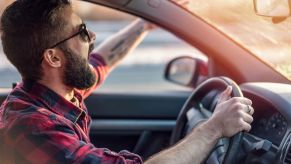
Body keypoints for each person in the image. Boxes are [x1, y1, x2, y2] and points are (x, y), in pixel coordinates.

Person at [0, 0, 254, 163]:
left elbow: (104, 60)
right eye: (82, 32)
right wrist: (215, 127)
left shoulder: (57, 90)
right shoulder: (34, 127)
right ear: (54, 57)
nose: (93, 36)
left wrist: (143, 25)